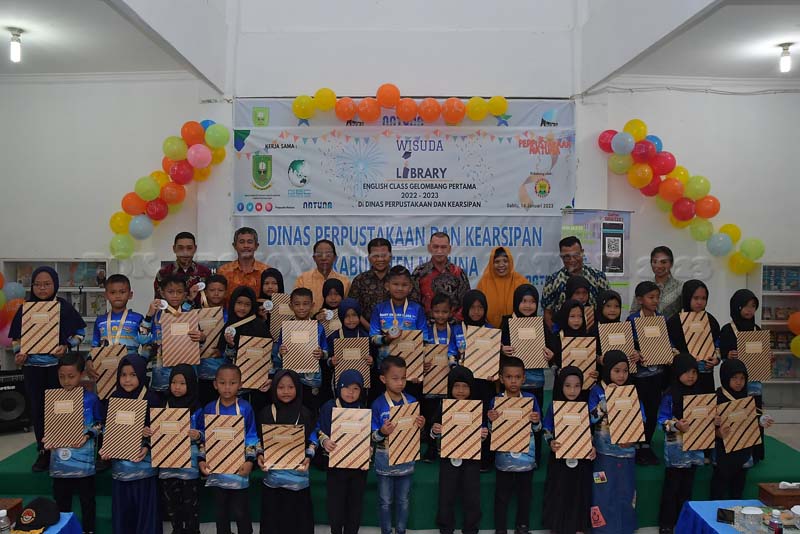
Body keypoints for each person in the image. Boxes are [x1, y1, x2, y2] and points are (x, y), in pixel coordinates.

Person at [9, 266, 87, 471]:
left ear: (55, 284)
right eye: (37, 284)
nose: (42, 288)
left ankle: (63, 449)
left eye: (47, 284)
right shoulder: (25, 308)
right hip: (33, 369)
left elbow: (81, 332)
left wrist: (66, 346)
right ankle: (43, 450)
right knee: (38, 409)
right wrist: (19, 353)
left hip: (58, 370)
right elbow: (16, 338)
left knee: (61, 408)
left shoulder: (64, 307)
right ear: (32, 286)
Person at [98, 356, 161, 534]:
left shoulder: (152, 399)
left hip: (144, 467)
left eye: (133, 375)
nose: (127, 379)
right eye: (123, 375)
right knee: (124, 512)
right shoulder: (114, 398)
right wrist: (105, 449)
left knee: (145, 511)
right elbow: (108, 429)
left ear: (141, 374)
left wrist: (147, 444)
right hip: (121, 468)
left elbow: (159, 430)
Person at [500, 284, 557, 466]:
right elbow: (497, 345)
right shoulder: (507, 322)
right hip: (512, 383)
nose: (527, 305)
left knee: (534, 419)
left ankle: (534, 457)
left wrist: (551, 354)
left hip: (535, 383)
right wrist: (502, 349)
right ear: (516, 301)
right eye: (524, 301)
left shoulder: (540, 323)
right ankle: (509, 457)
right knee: (511, 418)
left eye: (532, 302)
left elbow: (553, 347)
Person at [197, 364, 258, 534]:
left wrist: (249, 461)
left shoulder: (245, 408)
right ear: (215, 384)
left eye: (232, 383)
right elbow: (203, 437)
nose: (227, 387)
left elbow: (252, 436)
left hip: (239, 468)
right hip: (216, 469)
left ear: (240, 384)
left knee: (240, 511)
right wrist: (201, 460)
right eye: (222, 383)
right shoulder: (209, 408)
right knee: (220, 511)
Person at [44, 354, 101, 534]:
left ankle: (89, 530)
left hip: (83, 461)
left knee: (87, 500)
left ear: (81, 374)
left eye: (71, 376)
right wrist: (47, 439)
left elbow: (100, 424)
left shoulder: (91, 399)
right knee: (61, 500)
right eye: (61, 377)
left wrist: (88, 434)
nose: (66, 381)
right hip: (60, 461)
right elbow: (50, 426)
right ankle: (63, 530)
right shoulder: (53, 398)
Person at [589, 350, 643, 534]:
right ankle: (602, 529)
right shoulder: (597, 391)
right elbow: (590, 418)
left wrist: (633, 438)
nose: (621, 375)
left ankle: (625, 528)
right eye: (616, 371)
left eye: (625, 371)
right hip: (604, 455)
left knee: (626, 492)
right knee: (603, 491)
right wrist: (606, 401)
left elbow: (641, 418)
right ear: (607, 370)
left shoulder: (631, 391)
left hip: (627, 453)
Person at [258, 369, 318, 534]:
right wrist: (259, 455)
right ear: (274, 388)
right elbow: (258, 440)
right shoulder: (266, 413)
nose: (286, 391)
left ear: (298, 388)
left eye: (291, 387)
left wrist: (309, 456)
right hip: (273, 479)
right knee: (273, 521)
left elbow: (313, 439)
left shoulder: (305, 413)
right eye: (281, 387)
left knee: (298, 521)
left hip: (297, 478)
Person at [371, 356, 425, 534]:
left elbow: (416, 434)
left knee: (403, 500)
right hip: (384, 460)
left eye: (403, 378)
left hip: (406, 459)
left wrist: (421, 425)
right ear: (383, 379)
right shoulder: (378, 404)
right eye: (395, 378)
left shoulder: (412, 401)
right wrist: (382, 432)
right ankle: (386, 531)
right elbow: (372, 437)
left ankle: (401, 531)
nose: (400, 383)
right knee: (385, 501)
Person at [488, 357, 542, 534]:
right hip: (503, 459)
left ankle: (523, 526)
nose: (513, 381)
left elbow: (538, 429)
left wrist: (536, 421)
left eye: (517, 377)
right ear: (501, 378)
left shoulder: (531, 399)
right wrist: (491, 421)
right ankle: (500, 529)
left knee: (525, 496)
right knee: (501, 496)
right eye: (509, 377)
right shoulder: (496, 400)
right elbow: (491, 431)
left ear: (524, 378)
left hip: (526, 459)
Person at [430, 366, 486, 534]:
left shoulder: (477, 407)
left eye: (465, 386)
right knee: (447, 493)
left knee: (472, 494)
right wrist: (435, 430)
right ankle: (445, 526)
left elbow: (482, 431)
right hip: (448, 458)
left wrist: (483, 434)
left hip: (471, 458)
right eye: (456, 386)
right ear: (449, 387)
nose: (461, 390)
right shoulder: (443, 405)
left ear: (471, 388)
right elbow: (433, 431)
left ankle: (471, 527)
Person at [542, 366, 596, 534]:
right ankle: (557, 527)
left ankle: (579, 527)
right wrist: (551, 442)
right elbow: (546, 429)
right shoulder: (554, 406)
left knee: (580, 492)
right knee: (559, 492)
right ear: (560, 386)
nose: (572, 390)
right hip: (559, 460)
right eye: (567, 386)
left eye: (577, 386)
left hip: (581, 460)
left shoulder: (585, 407)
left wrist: (592, 447)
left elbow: (591, 432)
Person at [710, 359, 774, 500]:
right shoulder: (716, 398)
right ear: (725, 377)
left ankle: (736, 509)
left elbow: (754, 417)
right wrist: (716, 431)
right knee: (719, 487)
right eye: (734, 378)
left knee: (738, 488)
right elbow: (705, 426)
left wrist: (761, 421)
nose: (739, 382)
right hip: (723, 452)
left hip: (743, 450)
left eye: (742, 378)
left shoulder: (747, 397)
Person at [317, 369, 369, 534]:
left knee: (355, 504)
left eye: (356, 389)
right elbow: (318, 429)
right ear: (339, 387)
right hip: (336, 465)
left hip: (357, 467)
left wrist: (368, 446)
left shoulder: (363, 409)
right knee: (336, 504)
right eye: (346, 387)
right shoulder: (329, 406)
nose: (350, 392)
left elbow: (368, 434)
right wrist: (325, 441)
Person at [657, 353, 704, 534]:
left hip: (694, 451)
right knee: (671, 489)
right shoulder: (669, 395)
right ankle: (666, 524)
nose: (691, 376)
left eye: (694, 372)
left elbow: (705, 419)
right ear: (677, 372)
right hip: (675, 452)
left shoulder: (701, 395)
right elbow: (662, 421)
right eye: (686, 372)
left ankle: (683, 522)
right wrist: (676, 425)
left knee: (687, 489)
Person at [155, 365, 204, 534]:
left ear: (191, 384)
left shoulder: (197, 407)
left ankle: (192, 530)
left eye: (182, 383)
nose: (177, 387)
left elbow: (206, 432)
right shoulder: (164, 404)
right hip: (167, 464)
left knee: (190, 504)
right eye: (174, 382)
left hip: (189, 464)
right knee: (172, 503)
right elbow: (157, 429)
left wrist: (198, 435)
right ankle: (176, 529)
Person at [719, 289, 766, 463]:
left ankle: (755, 452)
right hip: (735, 383)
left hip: (754, 380)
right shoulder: (727, 329)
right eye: (745, 306)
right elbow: (720, 353)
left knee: (755, 413)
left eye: (753, 306)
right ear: (736, 306)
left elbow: (761, 356)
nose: (749, 310)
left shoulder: (757, 329)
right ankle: (735, 449)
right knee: (737, 414)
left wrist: (768, 358)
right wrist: (728, 355)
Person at [139, 275, 202, 398]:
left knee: (186, 405)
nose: (175, 295)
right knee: (161, 406)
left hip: (186, 374)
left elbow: (200, 341)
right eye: (170, 292)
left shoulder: (190, 315)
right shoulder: (155, 316)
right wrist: (148, 315)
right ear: (162, 293)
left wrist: (201, 337)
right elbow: (142, 339)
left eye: (179, 292)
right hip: (161, 373)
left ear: (185, 294)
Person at [273, 287, 328, 414]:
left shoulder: (318, 327)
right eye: (297, 304)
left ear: (312, 305)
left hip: (311, 379)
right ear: (291, 306)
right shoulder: (286, 327)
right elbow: (278, 353)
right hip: (290, 379)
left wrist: (321, 353)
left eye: (305, 304)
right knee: (291, 410)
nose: (301, 308)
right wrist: (281, 352)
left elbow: (326, 351)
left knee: (311, 410)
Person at [422, 293, 462, 461]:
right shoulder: (426, 329)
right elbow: (420, 350)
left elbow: (458, 350)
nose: (440, 315)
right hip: (430, 380)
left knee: (447, 413)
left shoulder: (456, 330)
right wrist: (421, 363)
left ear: (451, 312)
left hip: (449, 378)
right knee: (431, 415)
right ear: (431, 311)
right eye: (437, 311)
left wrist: (454, 362)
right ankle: (431, 448)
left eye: (444, 312)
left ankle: (448, 446)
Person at [218, 286, 271, 413]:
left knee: (252, 414)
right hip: (232, 386)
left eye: (247, 304)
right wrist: (230, 345)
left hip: (256, 385)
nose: (242, 308)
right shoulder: (229, 326)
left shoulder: (259, 326)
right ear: (233, 303)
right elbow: (223, 356)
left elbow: (268, 355)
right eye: (239, 303)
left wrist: (267, 377)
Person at [349, 238, 420, 330]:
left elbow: (414, 306)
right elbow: (353, 309)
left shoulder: (403, 279)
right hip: (366, 332)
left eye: (384, 255)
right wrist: (372, 329)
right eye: (375, 256)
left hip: (402, 332)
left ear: (390, 256)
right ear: (369, 257)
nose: (380, 259)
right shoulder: (360, 280)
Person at [461, 289, 497, 470]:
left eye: (480, 307)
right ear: (466, 308)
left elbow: (496, 359)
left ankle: (486, 458)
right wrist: (458, 362)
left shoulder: (491, 330)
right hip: (464, 384)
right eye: (472, 307)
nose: (476, 312)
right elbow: (450, 354)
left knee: (485, 417)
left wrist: (494, 371)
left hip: (485, 383)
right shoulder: (458, 329)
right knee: (467, 417)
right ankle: (466, 455)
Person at [627, 281, 662, 466]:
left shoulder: (661, 319)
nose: (655, 301)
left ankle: (647, 443)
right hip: (638, 377)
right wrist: (635, 352)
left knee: (653, 410)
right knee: (639, 411)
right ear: (640, 300)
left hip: (657, 375)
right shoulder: (632, 320)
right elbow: (626, 345)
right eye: (651, 297)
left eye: (657, 297)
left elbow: (667, 343)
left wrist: (670, 352)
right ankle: (637, 444)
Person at [370, 265, 430, 372]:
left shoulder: (417, 309)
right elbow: (372, 338)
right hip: (385, 366)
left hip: (411, 366)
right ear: (387, 286)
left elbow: (424, 338)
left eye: (404, 285)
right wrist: (386, 339)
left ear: (410, 287)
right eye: (395, 284)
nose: (400, 288)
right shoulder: (379, 309)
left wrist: (422, 361)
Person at [541, 236, 610, 329]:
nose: (572, 260)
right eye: (567, 257)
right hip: (563, 334)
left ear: (582, 252)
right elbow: (548, 312)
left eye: (576, 255)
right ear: (561, 257)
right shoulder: (552, 281)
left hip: (594, 332)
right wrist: (554, 334)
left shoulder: (598, 277)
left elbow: (607, 307)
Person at [666, 280, 721, 394]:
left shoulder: (711, 321)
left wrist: (716, 359)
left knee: (705, 403)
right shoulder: (674, 322)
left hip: (705, 376)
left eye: (703, 298)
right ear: (687, 297)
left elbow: (718, 343)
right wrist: (682, 361)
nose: (700, 302)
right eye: (696, 298)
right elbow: (669, 347)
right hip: (683, 378)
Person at [88, 274, 144, 377]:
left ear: (130, 294)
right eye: (113, 292)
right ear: (106, 295)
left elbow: (146, 345)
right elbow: (94, 345)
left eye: (122, 292)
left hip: (131, 369)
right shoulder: (100, 320)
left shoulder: (138, 318)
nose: (118, 296)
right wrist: (89, 360)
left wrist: (142, 363)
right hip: (105, 369)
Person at [412, 232, 471, 320]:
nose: (439, 251)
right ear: (429, 248)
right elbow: (413, 302)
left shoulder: (458, 273)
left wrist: (453, 322)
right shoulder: (419, 273)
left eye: (443, 247)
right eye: (435, 247)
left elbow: (465, 303)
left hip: (453, 325)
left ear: (449, 249)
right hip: (425, 325)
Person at [326, 298, 373, 402]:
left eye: (354, 315)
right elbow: (327, 359)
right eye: (347, 316)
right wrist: (331, 361)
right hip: (340, 382)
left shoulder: (365, 336)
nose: (351, 319)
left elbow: (373, 358)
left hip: (361, 383)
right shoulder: (334, 337)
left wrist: (371, 361)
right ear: (341, 317)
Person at [477, 246, 529, 329]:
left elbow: (529, 307)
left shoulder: (521, 282)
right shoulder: (484, 282)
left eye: (505, 261)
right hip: (488, 331)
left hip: (516, 330)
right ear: (491, 263)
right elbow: (477, 307)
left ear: (510, 262)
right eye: (497, 261)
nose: (501, 265)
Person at [153, 232, 212, 305]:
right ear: (174, 249)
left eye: (189, 248)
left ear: (195, 249)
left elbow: (211, 301)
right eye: (180, 248)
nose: (185, 252)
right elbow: (159, 303)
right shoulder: (164, 273)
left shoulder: (205, 272)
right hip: (171, 312)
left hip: (200, 312)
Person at [295, 239, 351, 315]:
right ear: (314, 258)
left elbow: (348, 309)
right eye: (319, 255)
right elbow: (296, 306)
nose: (323, 258)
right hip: (309, 322)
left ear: (335, 258)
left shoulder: (345, 281)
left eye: (328, 255)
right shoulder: (303, 279)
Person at [197, 274, 229, 405]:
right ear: (205, 292)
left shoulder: (230, 315)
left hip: (224, 369)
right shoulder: (196, 314)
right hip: (201, 369)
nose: (216, 293)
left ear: (226, 292)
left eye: (220, 290)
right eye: (212, 290)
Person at [218, 227, 270, 302]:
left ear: (256, 246)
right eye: (241, 242)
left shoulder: (266, 271)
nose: (246, 246)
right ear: (234, 246)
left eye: (250, 242)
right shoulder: (223, 271)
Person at [630, 246, 682, 319]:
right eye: (655, 262)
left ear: (671, 264)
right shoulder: (644, 286)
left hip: (671, 326)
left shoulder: (680, 287)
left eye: (663, 262)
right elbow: (634, 312)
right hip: (646, 325)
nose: (659, 266)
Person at [593, 289, 624, 365]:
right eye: (608, 306)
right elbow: (589, 353)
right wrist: (598, 359)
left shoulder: (624, 328)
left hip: (622, 369)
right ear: (601, 307)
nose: (612, 310)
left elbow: (630, 348)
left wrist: (635, 353)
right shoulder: (594, 329)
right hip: (600, 370)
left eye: (616, 306)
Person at [256, 267, 285, 336]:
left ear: (280, 285)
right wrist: (262, 319)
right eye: (266, 283)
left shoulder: (287, 304)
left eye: (274, 283)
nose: (270, 286)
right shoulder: (256, 305)